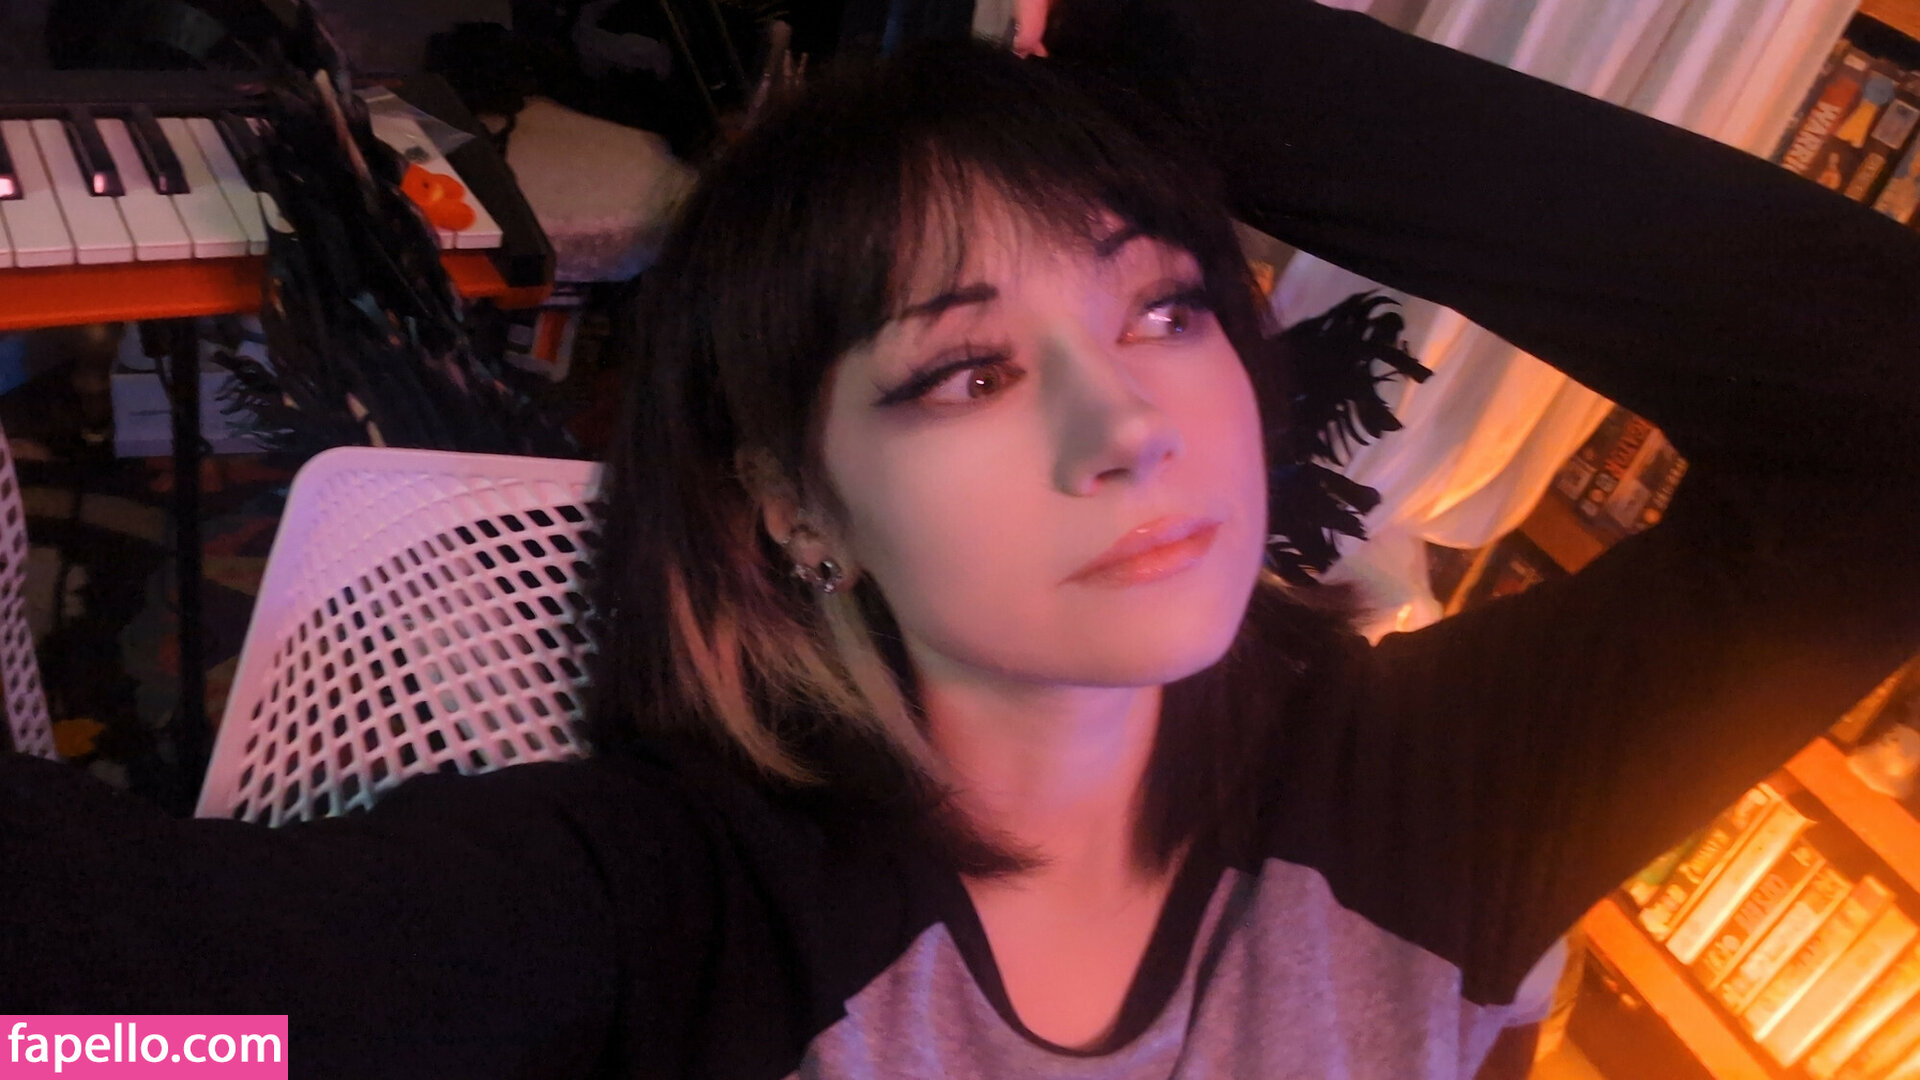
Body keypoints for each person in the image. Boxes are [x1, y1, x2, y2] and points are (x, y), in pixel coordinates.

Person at [6, 0, 1919, 1077]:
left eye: (1165, 306)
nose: (1131, 427)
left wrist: (1146, 48)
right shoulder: (666, 913)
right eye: (966, 372)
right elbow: (101, 1029)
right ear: (793, 506)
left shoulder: (1435, 802)